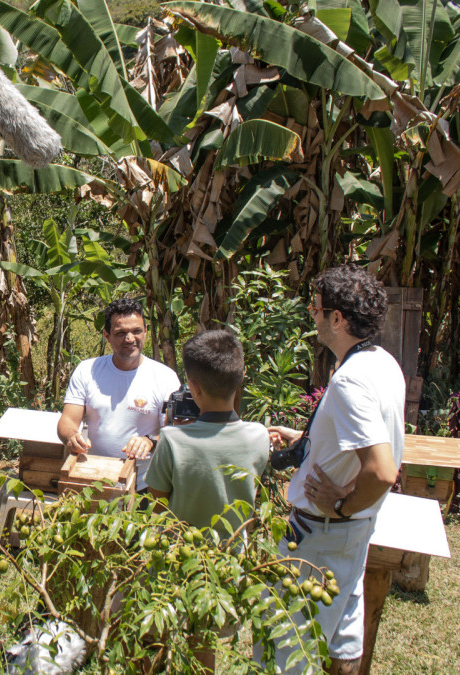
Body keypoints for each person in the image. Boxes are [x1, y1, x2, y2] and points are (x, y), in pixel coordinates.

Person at [262, 264, 404, 675]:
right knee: (342, 636)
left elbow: (380, 470)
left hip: (321, 534)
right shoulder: (381, 363)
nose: (312, 313)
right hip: (353, 532)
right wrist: (308, 441)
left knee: (288, 645)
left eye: (316, 307)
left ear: (337, 319)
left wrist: (340, 507)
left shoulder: (350, 381)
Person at [145, 329, 269, 534]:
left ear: (192, 387)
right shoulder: (259, 436)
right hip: (234, 557)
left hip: (179, 555)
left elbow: (157, 506)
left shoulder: (172, 439)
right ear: (241, 377)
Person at [57, 297, 181, 490]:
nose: (130, 339)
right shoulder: (87, 370)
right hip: (94, 479)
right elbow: (67, 421)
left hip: (145, 484)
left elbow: (174, 433)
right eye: (120, 333)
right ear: (107, 336)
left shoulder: (165, 377)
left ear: (146, 331)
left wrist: (149, 441)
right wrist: (72, 437)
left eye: (136, 331)